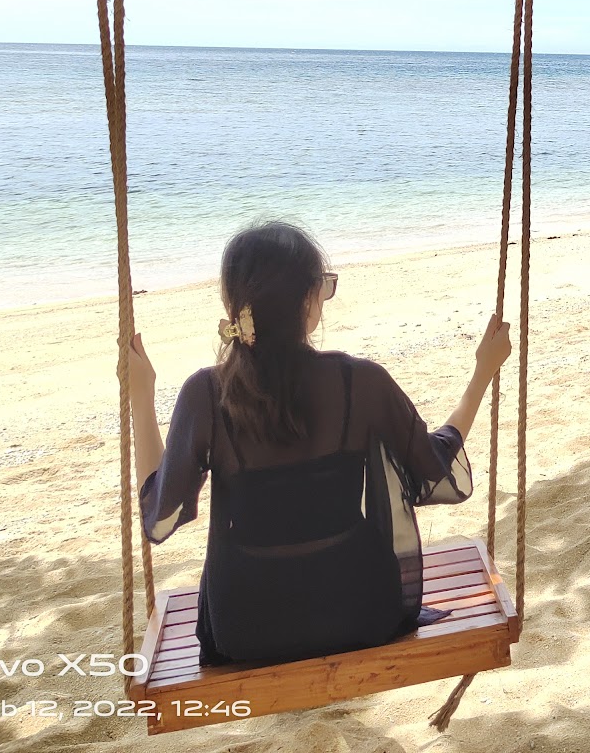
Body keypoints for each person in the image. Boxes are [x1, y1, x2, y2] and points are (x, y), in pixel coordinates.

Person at [126, 220, 513, 666]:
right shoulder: (361, 382)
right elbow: (436, 472)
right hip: (361, 611)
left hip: (246, 629)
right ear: (308, 302)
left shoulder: (206, 395)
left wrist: (141, 397)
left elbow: (159, 515)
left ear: (235, 304)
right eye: (323, 288)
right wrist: (483, 373)